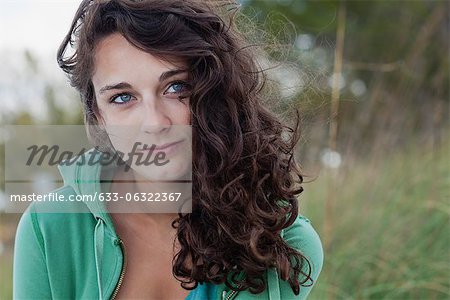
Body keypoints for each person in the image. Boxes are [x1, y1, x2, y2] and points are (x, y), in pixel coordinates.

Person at [13, 0, 324, 299]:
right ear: (99, 117)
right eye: (122, 97)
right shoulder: (49, 228)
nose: (155, 122)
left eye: (176, 87)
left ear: (215, 92)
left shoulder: (281, 246)